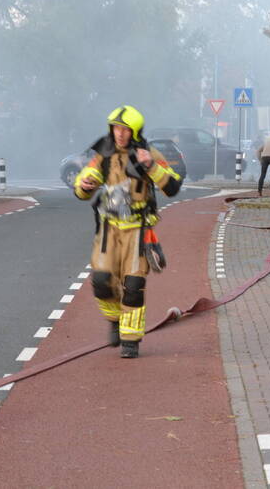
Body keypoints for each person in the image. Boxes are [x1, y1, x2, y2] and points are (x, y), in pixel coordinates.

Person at [73, 105, 182, 358]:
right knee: (102, 282)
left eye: (125, 129)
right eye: (116, 128)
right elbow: (86, 180)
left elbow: (172, 186)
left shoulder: (148, 153)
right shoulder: (104, 154)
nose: (119, 134)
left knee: (133, 285)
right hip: (109, 230)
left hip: (137, 230)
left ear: (135, 131)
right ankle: (115, 320)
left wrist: (151, 166)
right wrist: (84, 185)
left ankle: (130, 341)